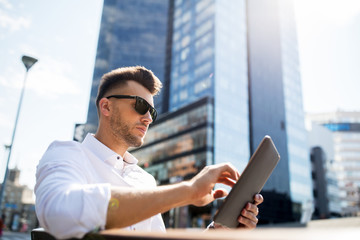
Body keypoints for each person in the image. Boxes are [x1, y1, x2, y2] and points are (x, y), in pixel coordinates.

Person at [35, 66, 263, 239]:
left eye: (151, 113)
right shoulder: (67, 154)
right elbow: (59, 212)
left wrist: (219, 230)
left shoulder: (144, 180)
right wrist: (189, 190)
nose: (147, 118)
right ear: (106, 107)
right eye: (140, 106)